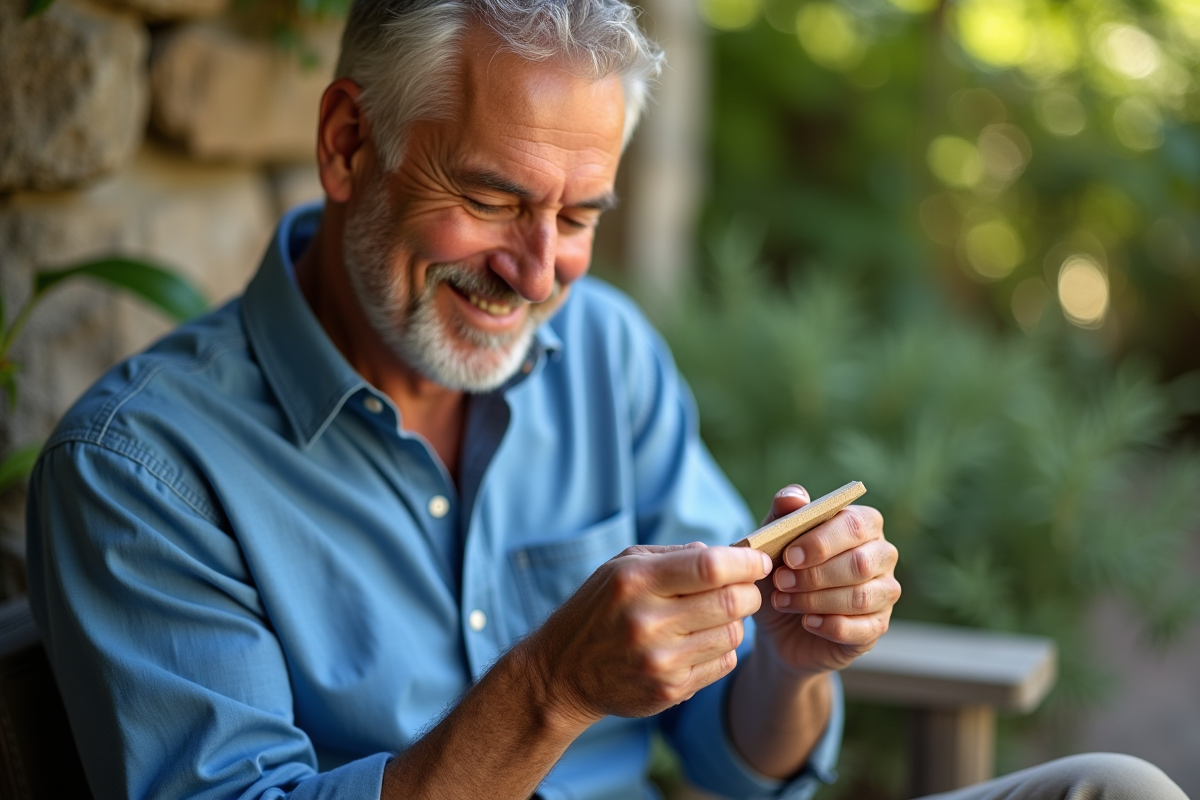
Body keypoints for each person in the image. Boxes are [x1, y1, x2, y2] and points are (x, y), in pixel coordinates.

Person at [24, 1, 1188, 799]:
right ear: (345, 145)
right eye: (490, 198)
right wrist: (551, 685)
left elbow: (744, 761)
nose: (538, 273)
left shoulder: (606, 356)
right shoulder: (143, 469)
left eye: (578, 217)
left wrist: (789, 657)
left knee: (1115, 788)